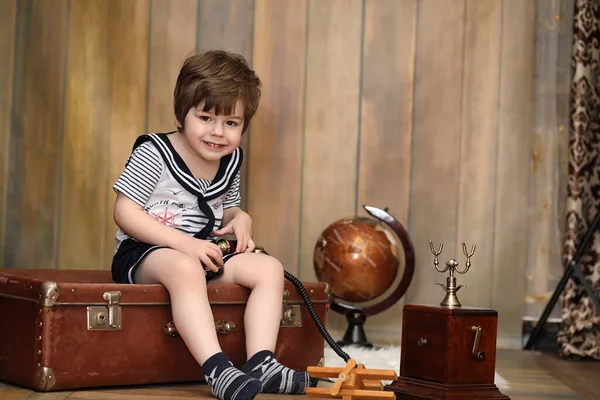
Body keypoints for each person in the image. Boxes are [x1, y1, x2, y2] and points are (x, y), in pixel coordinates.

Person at [110, 50, 312, 400]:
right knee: (185, 267)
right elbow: (125, 212)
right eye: (205, 118)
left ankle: (262, 362)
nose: (218, 133)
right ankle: (217, 368)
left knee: (269, 268)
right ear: (180, 114)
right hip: (145, 253)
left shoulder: (229, 160)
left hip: (203, 250)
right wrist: (184, 244)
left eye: (231, 123)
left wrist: (241, 217)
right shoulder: (154, 152)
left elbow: (227, 208)